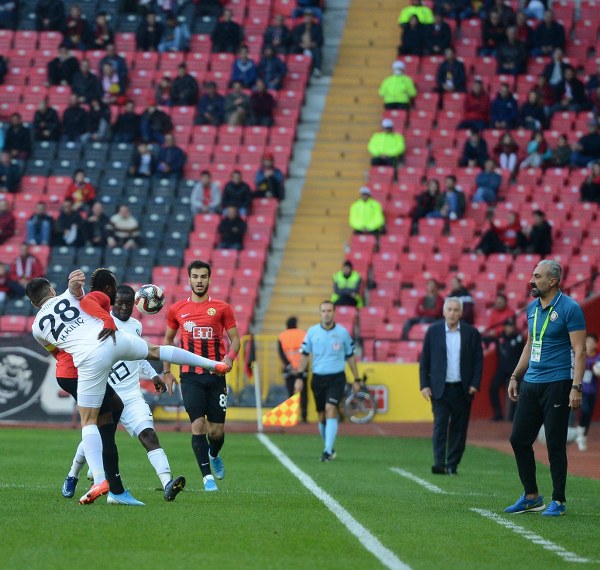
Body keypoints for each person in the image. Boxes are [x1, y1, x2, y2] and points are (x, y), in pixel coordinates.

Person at [27, 268, 228, 504]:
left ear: (33, 303)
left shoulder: (36, 329)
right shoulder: (67, 296)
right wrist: (81, 294)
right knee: (155, 350)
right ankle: (213, 364)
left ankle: (100, 478)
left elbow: (59, 353)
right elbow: (87, 299)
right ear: (51, 289)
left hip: (89, 358)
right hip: (109, 337)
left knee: (89, 420)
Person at [62, 285, 187, 502]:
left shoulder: (136, 327)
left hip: (130, 394)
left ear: (135, 304)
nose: (122, 307)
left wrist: (154, 375)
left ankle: (167, 482)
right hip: (105, 394)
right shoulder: (98, 322)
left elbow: (138, 355)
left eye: (127, 303)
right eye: (118, 302)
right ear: (112, 303)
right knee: (95, 439)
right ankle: (73, 474)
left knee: (149, 435)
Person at [505, 259, 586, 516]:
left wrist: (576, 386)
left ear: (553, 281)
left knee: (554, 443)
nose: (532, 280)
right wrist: (516, 375)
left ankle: (558, 500)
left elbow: (580, 350)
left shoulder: (570, 309)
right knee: (518, 439)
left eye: (537, 276)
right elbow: (530, 344)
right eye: (532, 275)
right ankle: (531, 496)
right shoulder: (532, 309)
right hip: (532, 382)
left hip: (558, 383)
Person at [162, 260, 240, 492]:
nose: (199, 280)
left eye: (203, 277)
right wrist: (166, 372)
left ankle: (214, 453)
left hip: (216, 376)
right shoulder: (176, 310)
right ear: (189, 280)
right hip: (190, 377)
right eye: (195, 276)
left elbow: (235, 338)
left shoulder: (222, 308)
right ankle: (207, 478)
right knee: (198, 425)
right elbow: (167, 341)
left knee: (216, 432)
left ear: (209, 279)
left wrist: (229, 358)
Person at [419, 297, 483, 475]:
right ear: (444, 311)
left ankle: (452, 464)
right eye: (450, 309)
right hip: (440, 388)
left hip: (463, 389)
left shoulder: (472, 333)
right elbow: (425, 360)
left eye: (456, 310)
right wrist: (424, 385)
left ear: (461, 312)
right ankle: (439, 463)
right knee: (439, 426)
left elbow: (479, 361)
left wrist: (474, 384)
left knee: (459, 428)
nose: (453, 313)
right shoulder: (433, 331)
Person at [294, 301, 362, 462]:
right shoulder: (312, 332)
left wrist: (356, 378)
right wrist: (299, 377)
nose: (326, 313)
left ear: (334, 313)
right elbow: (304, 355)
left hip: (337, 378)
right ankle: (329, 447)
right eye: (323, 311)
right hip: (317, 378)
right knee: (321, 415)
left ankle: (327, 450)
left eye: (329, 310)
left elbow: (350, 356)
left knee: (331, 409)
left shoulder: (343, 333)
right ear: (320, 313)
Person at [488, 318, 524, 421]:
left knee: (515, 391)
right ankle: (498, 413)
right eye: (508, 326)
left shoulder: (518, 337)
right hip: (502, 368)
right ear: (504, 327)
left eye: (512, 326)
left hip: (515, 369)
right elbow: (487, 340)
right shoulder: (500, 337)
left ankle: (513, 415)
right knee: (493, 387)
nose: (510, 328)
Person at [278, 316, 308, 423]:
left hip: (288, 369)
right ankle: (304, 417)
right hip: (302, 368)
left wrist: (289, 366)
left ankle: (291, 418)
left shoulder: (282, 336)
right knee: (303, 393)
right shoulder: (303, 334)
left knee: (290, 393)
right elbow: (306, 351)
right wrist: (300, 367)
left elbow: (281, 353)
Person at [575, 334, 600, 451]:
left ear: (595, 344)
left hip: (592, 391)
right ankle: (578, 433)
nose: (589, 344)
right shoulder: (580, 354)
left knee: (588, 413)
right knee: (584, 410)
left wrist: (596, 369)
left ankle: (583, 436)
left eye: (592, 342)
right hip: (580, 389)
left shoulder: (598, 357)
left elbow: (598, 372)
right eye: (587, 341)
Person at [292, 10, 324, 78]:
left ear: (312, 18)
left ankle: (317, 69)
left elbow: (320, 39)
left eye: (309, 16)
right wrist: (301, 44)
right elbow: (296, 38)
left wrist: (312, 44)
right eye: (306, 16)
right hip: (302, 46)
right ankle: (293, 68)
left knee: (318, 50)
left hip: (312, 46)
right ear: (304, 17)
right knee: (293, 49)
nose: (307, 18)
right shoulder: (299, 27)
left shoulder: (317, 27)